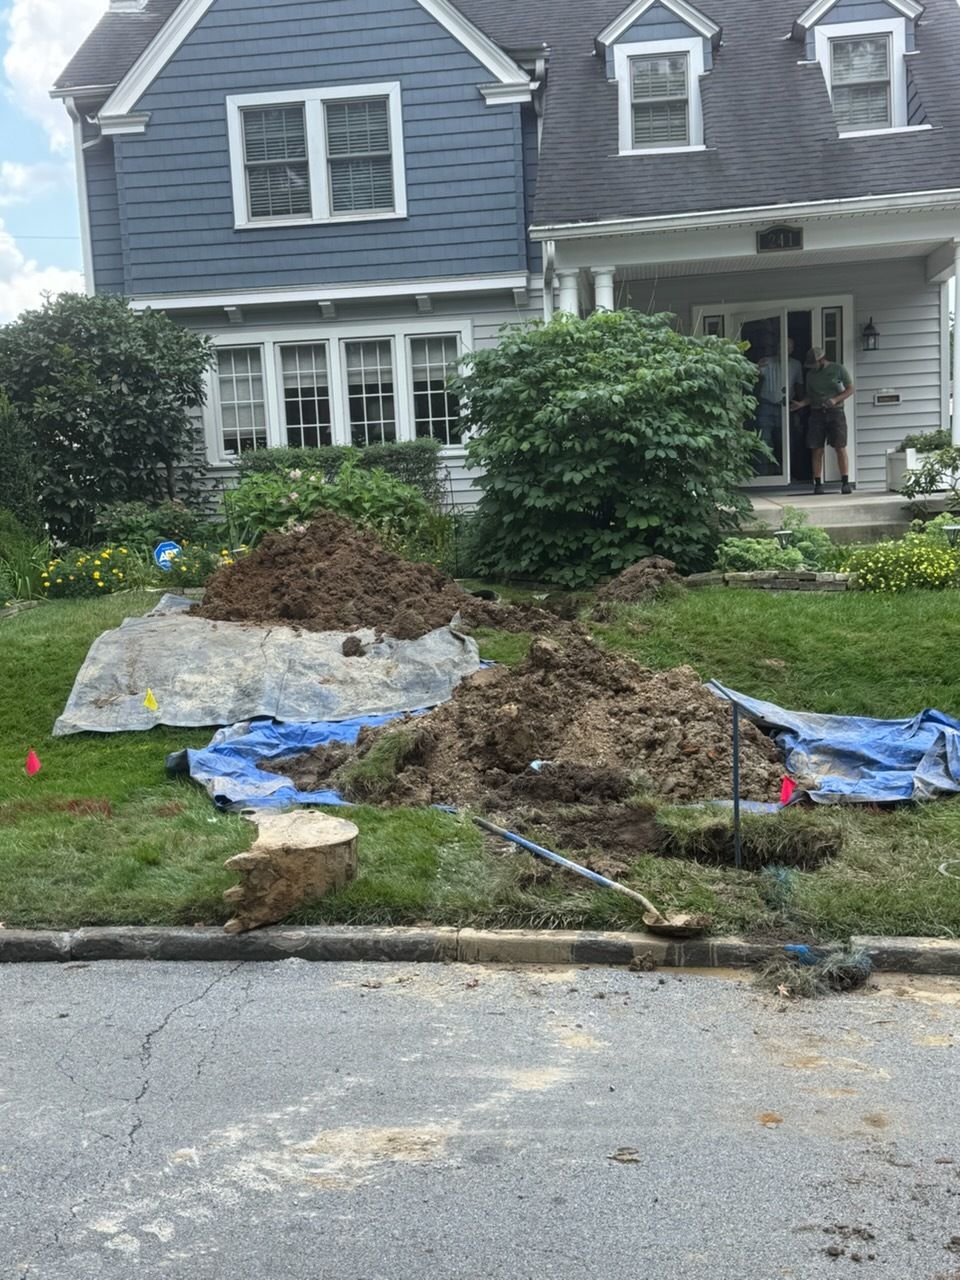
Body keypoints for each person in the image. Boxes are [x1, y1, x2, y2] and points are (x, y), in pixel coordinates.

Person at [790, 346, 854, 495]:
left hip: (836, 412)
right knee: (816, 448)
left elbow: (850, 389)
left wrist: (835, 399)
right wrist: (801, 404)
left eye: (814, 363)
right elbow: (810, 397)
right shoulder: (811, 375)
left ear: (821, 360)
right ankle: (818, 484)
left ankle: (845, 482)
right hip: (817, 413)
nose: (812, 367)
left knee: (840, 446)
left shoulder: (838, 369)